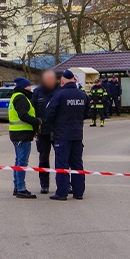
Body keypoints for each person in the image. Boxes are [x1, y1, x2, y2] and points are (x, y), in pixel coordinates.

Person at [42, 69, 90, 201]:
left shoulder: (59, 95)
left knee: (62, 164)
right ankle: (78, 192)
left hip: (62, 135)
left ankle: (62, 193)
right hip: (77, 135)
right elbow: (88, 113)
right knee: (77, 164)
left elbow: (49, 114)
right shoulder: (82, 95)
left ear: (62, 81)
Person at [8, 77, 40, 199]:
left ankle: (17, 186)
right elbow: (23, 115)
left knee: (18, 161)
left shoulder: (16, 96)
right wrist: (37, 121)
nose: (30, 88)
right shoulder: (21, 97)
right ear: (23, 87)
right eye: (28, 86)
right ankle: (21, 188)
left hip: (17, 133)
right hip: (22, 134)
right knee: (22, 162)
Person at [31, 70, 59, 195]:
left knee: (62, 159)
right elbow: (32, 112)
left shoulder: (60, 91)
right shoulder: (37, 92)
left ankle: (64, 185)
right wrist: (34, 129)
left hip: (57, 130)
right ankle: (44, 185)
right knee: (43, 160)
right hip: (43, 132)